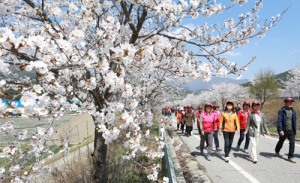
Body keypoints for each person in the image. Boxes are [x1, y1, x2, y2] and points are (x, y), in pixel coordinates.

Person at [275, 97, 297, 163]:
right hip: (284, 130)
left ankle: (290, 157)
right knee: (281, 141)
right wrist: (280, 130)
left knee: (292, 142)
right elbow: (279, 121)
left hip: (291, 130)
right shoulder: (282, 111)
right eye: (289, 102)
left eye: (291, 102)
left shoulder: (293, 111)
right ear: (285, 103)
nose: (290, 103)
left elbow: (294, 121)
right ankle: (277, 150)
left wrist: (294, 130)